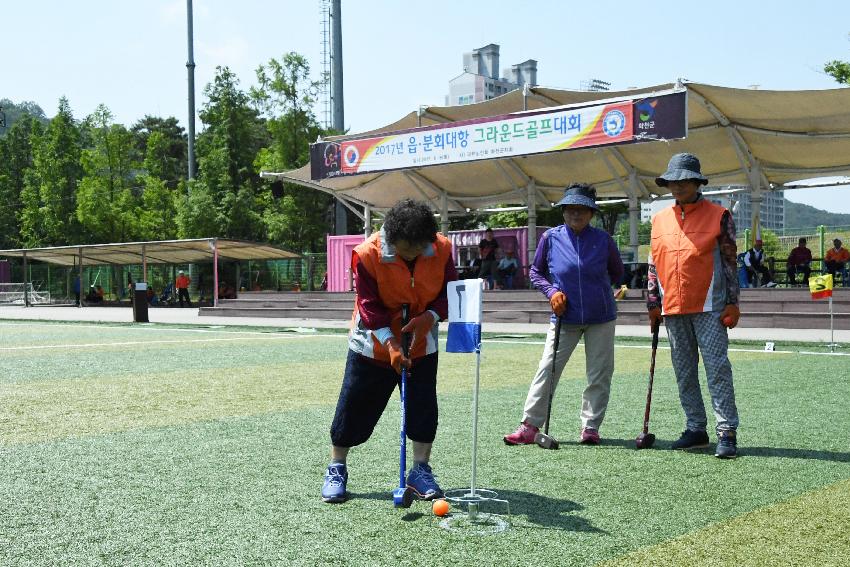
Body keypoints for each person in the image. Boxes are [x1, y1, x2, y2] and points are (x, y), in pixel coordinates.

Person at [321, 199, 457, 504]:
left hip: (422, 342)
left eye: (419, 248)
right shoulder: (367, 254)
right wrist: (391, 345)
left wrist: (430, 317)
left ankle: (420, 470)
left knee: (423, 407)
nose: (413, 255)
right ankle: (337, 466)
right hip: (372, 345)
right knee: (354, 405)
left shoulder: (442, 249)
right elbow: (368, 306)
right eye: (407, 249)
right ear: (392, 238)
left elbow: (449, 292)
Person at [503, 183, 624, 446]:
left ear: (591, 213)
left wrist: (604, 290)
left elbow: (617, 273)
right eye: (570, 210)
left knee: (599, 372)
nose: (575, 215)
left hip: (601, 317)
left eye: (581, 210)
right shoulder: (550, 238)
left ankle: (590, 427)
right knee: (547, 368)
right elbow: (536, 272)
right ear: (563, 212)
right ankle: (530, 425)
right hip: (563, 317)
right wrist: (551, 291)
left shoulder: (604, 240)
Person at [646, 153, 741, 459]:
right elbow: (653, 263)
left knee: (717, 370)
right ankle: (696, 429)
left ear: (697, 182)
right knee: (684, 372)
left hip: (710, 306)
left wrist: (732, 303)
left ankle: (726, 431)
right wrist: (652, 302)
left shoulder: (719, 215)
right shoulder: (659, 219)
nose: (678, 185)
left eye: (684, 180)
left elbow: (729, 261)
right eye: (673, 181)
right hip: (672, 307)